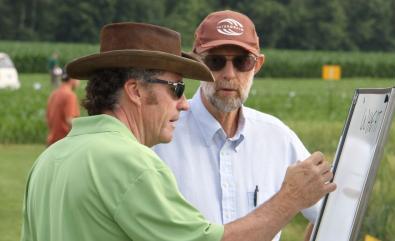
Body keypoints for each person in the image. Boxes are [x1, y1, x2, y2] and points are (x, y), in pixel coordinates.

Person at [21, 22, 335, 241]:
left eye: (241, 62)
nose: (184, 104)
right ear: (136, 91)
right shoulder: (131, 163)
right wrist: (289, 198)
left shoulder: (49, 160)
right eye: (177, 88)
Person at [153, 10, 321, 240]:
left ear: (257, 65)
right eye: (215, 61)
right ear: (196, 63)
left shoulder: (278, 137)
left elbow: (331, 212)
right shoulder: (160, 137)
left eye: (243, 62)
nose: (229, 74)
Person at [46, 71, 80, 146]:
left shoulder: (54, 94)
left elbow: (48, 118)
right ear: (72, 79)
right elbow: (69, 120)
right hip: (64, 143)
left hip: (52, 142)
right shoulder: (70, 95)